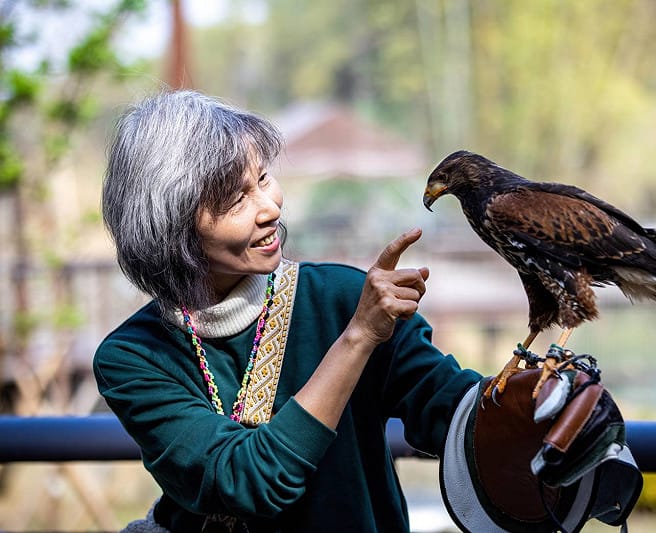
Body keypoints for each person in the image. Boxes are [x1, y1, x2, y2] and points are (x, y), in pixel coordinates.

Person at [94, 90, 482, 532]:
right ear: (173, 227)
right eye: (235, 200)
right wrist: (357, 338)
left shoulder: (343, 296)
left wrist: (540, 397)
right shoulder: (134, 356)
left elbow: (453, 409)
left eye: (263, 179)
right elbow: (247, 481)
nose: (270, 207)